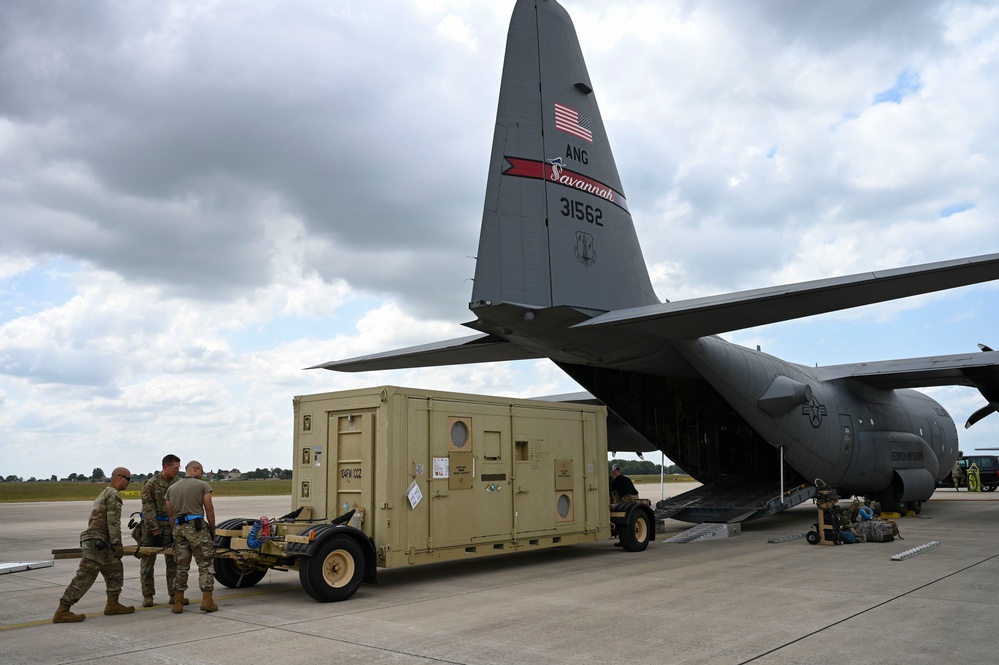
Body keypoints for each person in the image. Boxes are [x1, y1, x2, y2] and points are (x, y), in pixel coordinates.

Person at [53, 467, 135, 623]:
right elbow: (113, 522)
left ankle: (113, 604)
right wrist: (117, 544)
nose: (129, 483)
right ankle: (63, 610)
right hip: (98, 542)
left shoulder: (105, 492)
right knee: (86, 575)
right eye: (128, 479)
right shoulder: (113, 495)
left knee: (115, 569)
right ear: (119, 477)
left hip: (101, 541)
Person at [165, 460, 217, 613]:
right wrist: (212, 529)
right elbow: (209, 508)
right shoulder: (202, 486)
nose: (202, 474)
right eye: (201, 471)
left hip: (179, 528)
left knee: (181, 565)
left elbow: (170, 514)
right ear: (195, 469)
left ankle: (178, 602)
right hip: (196, 527)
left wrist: (176, 531)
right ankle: (207, 600)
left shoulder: (171, 489)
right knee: (205, 563)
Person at [139, 454, 182, 607]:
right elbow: (147, 507)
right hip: (152, 529)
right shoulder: (151, 484)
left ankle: (174, 595)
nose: (178, 470)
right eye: (175, 468)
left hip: (171, 528)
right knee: (147, 563)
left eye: (179, 467)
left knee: (173, 562)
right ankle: (148, 596)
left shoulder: (179, 483)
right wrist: (154, 530)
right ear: (165, 467)